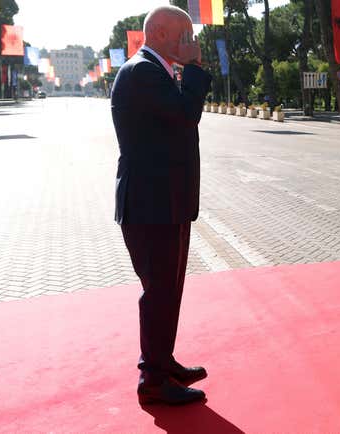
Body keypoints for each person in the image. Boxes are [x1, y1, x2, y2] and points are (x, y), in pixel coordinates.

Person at [111, 6, 212, 405]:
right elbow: (187, 114)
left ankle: (162, 359)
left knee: (169, 290)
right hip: (151, 204)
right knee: (158, 292)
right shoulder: (141, 72)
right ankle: (152, 381)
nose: (191, 43)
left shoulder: (156, 70)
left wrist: (188, 69)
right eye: (185, 35)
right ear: (159, 34)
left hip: (166, 201)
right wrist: (196, 68)